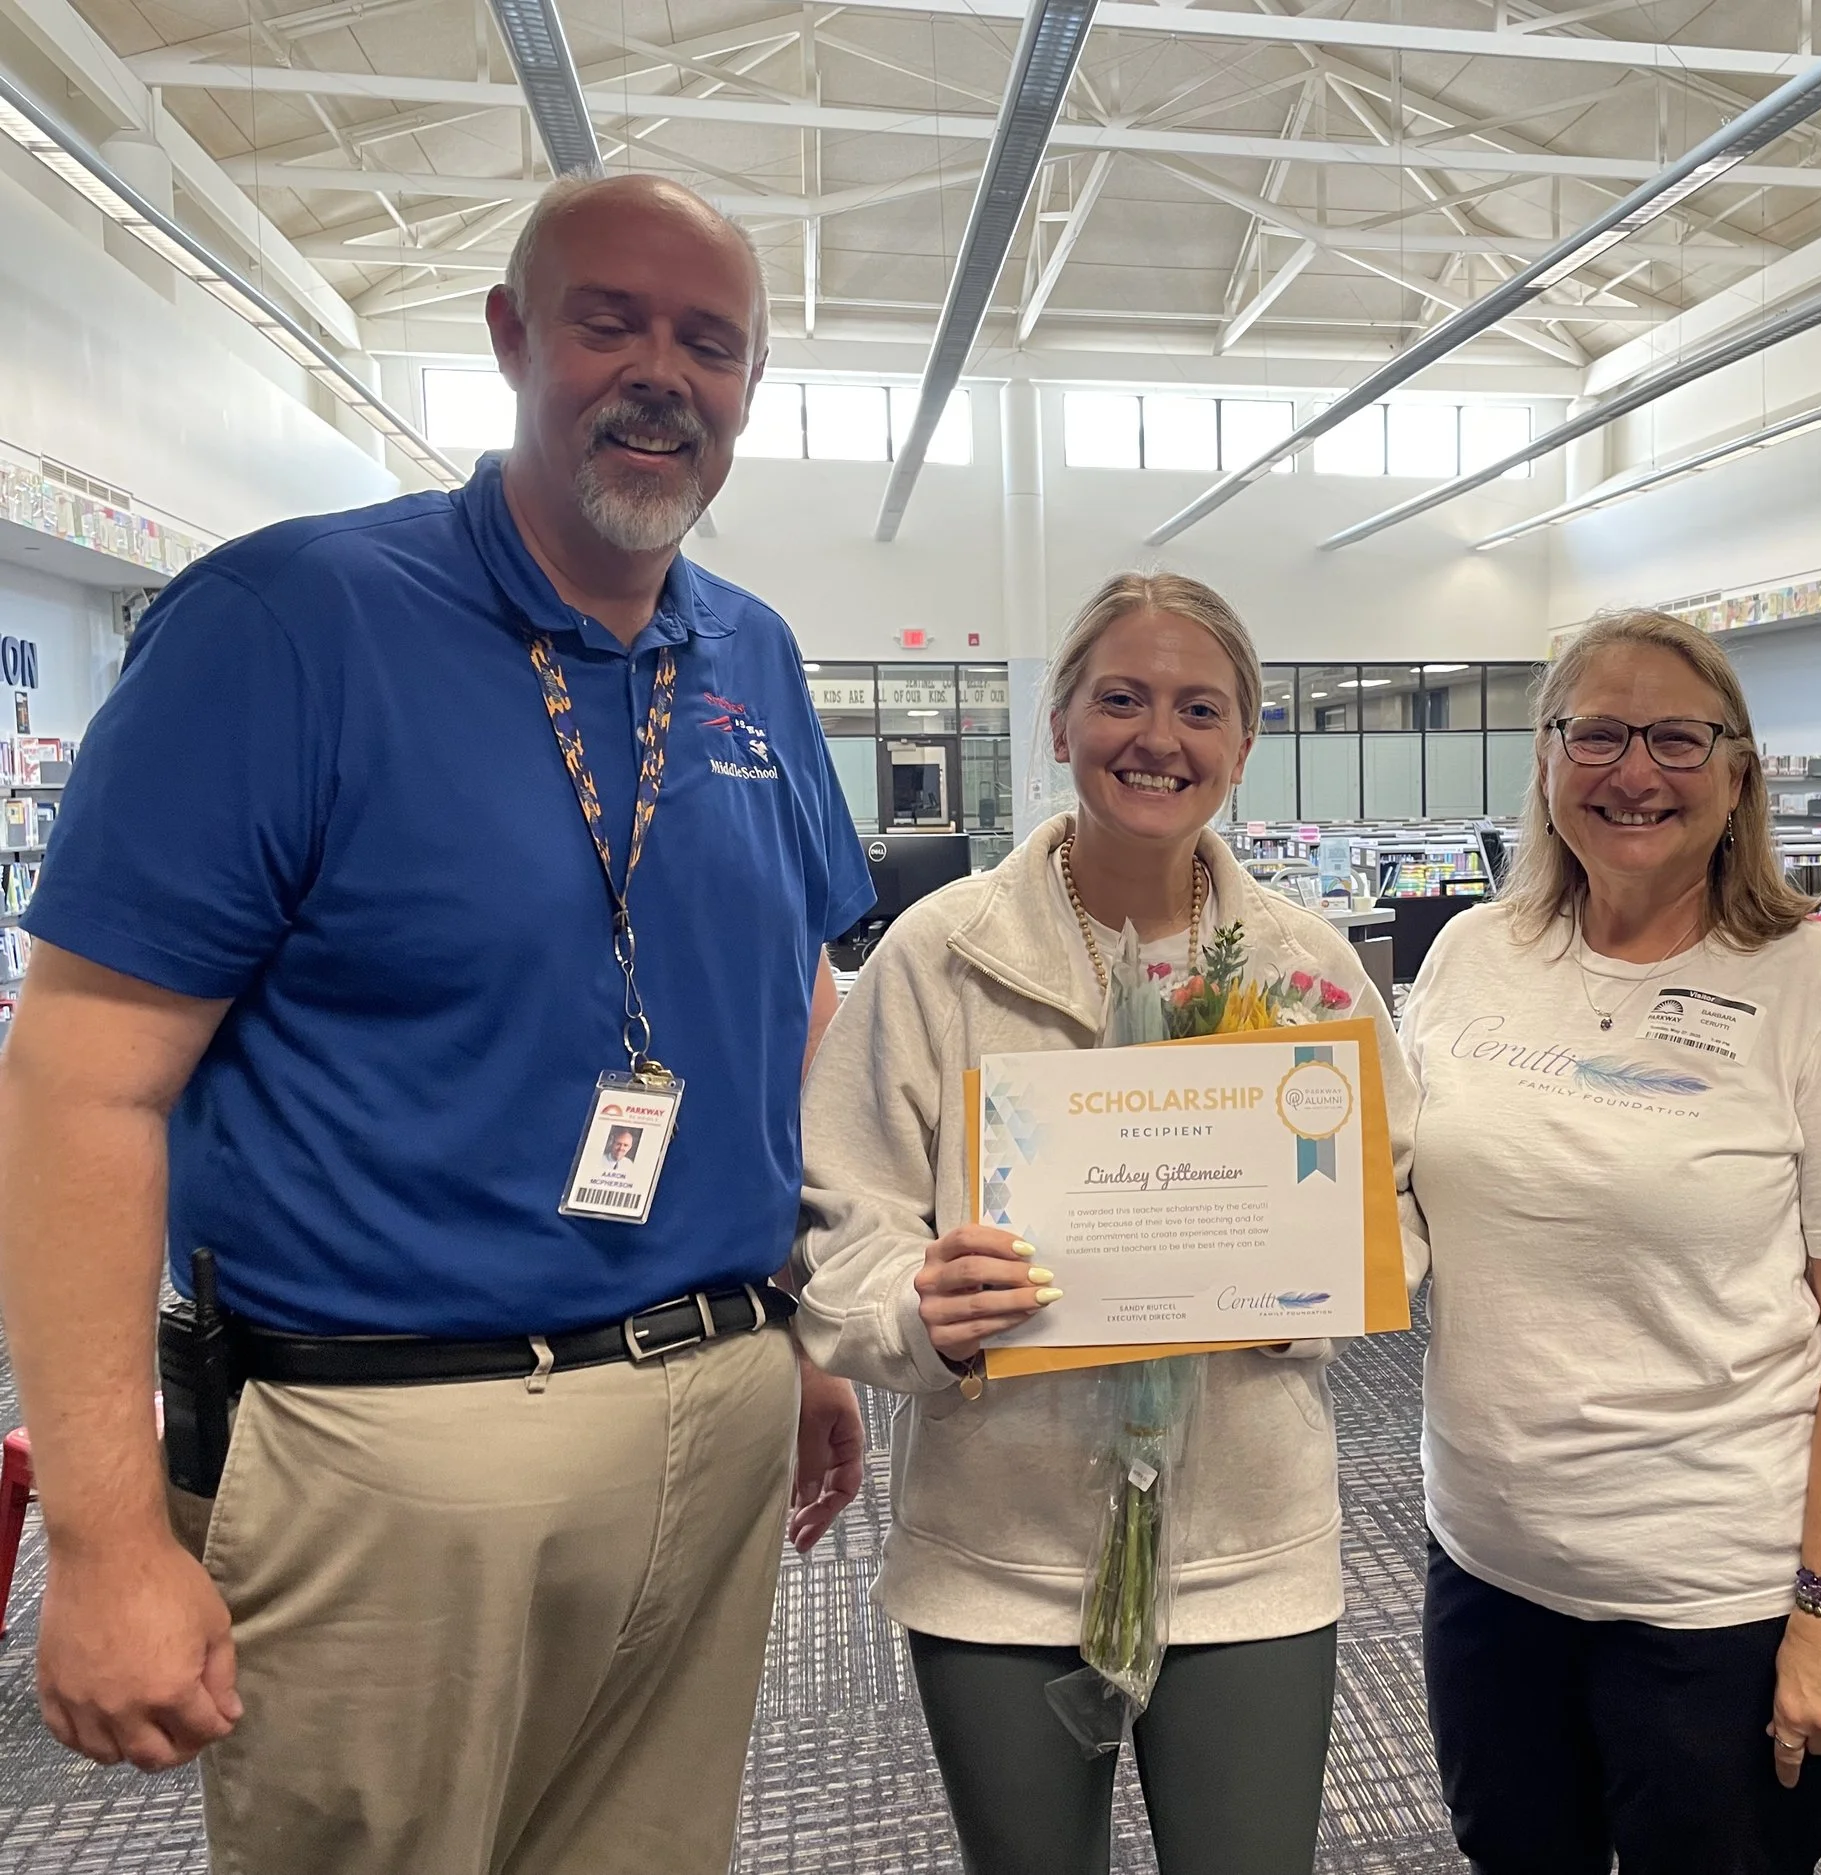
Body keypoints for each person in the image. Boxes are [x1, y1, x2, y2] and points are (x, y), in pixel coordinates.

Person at [0, 174, 875, 1874]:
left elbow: (794, 994)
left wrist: (799, 1319)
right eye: (610, 322)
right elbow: (78, 1084)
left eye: (710, 344)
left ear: (751, 387)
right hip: (392, 1440)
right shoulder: (288, 625)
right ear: (510, 338)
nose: (662, 374)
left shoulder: (752, 657)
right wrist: (102, 1538)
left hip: (715, 1397)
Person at [791, 572, 1426, 1875]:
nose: (1159, 738)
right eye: (1121, 698)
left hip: (1248, 1540)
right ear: (1060, 720)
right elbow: (837, 1221)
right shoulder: (941, 955)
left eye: (1200, 708)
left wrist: (1313, 1282)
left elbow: (1399, 1201)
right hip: (999, 1546)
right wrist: (916, 1308)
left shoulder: (1304, 968)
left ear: (1244, 741)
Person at [1401, 608, 1821, 1875]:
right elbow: (1402, 1208)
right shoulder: (1474, 954)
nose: (1633, 772)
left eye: (1677, 739)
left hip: (1714, 1595)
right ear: (1546, 759)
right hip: (1486, 1562)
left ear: (1736, 773)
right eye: (1595, 734)